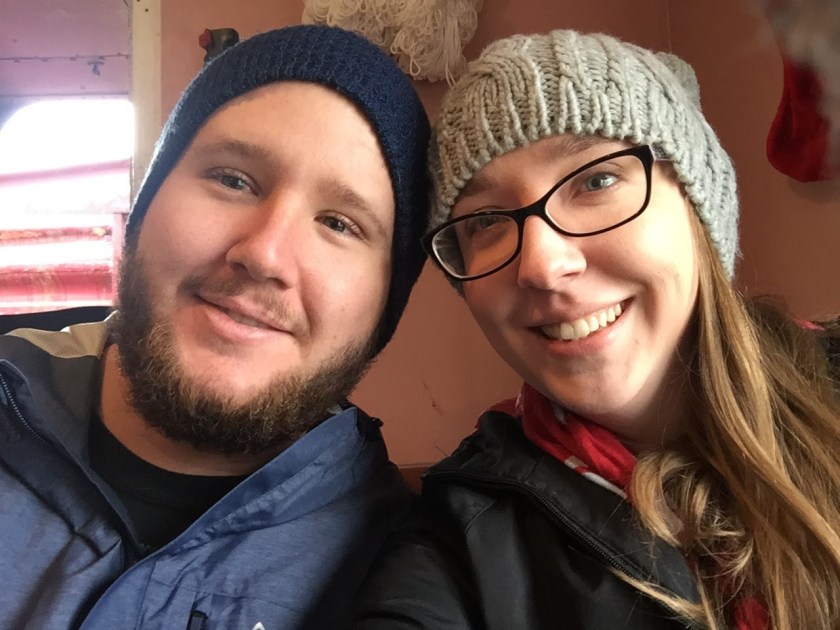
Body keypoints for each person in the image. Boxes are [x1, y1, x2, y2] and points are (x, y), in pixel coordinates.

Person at [354, 29, 840, 630]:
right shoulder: (461, 540)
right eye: (485, 220)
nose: (540, 265)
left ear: (695, 202)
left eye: (596, 181)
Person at [0, 24, 430, 629]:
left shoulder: (411, 572)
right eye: (232, 180)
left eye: (339, 223)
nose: (265, 254)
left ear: (385, 306)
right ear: (145, 207)